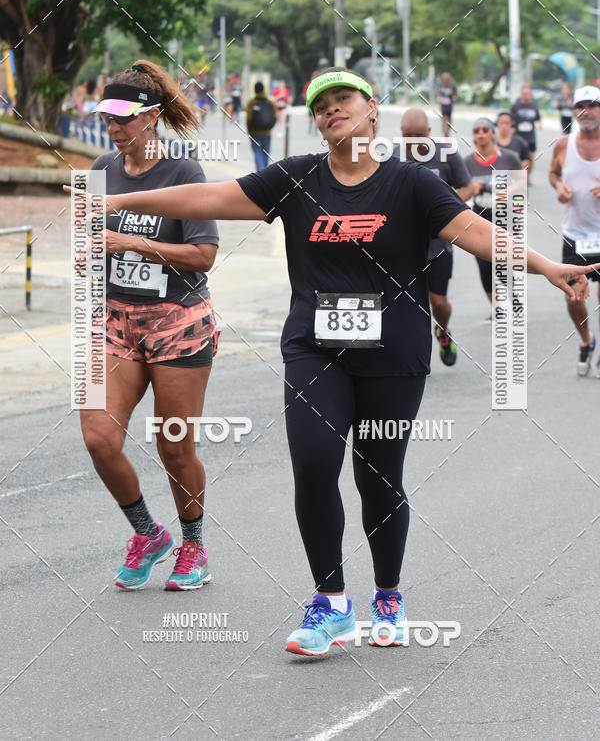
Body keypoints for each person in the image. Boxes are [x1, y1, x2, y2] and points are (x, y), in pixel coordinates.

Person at [68, 68, 597, 657]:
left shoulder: (413, 185)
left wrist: (549, 266)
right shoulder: (296, 179)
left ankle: (388, 596)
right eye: (321, 107)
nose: (332, 111)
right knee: (315, 467)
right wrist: (115, 200)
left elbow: (477, 232)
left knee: (378, 479)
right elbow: (206, 196)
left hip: (393, 353)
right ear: (316, 123)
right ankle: (330, 605)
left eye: (343, 100)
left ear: (373, 109)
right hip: (313, 350)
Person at [82, 59, 220, 591]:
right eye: (107, 118)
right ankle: (148, 532)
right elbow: (94, 242)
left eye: (123, 118)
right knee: (99, 438)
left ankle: (193, 547)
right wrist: (89, 256)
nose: (113, 129)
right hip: (117, 319)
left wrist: (132, 242)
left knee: (173, 446)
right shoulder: (101, 169)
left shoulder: (183, 172)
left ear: (152, 116)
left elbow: (203, 254)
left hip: (177, 323)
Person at [399, 107, 473, 366]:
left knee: (438, 302)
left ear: (429, 133)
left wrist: (444, 210)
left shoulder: (446, 153)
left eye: (419, 135)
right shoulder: (391, 157)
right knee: (408, 305)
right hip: (405, 245)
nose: (414, 142)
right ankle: (416, 355)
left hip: (438, 245)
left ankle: (442, 331)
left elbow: (468, 186)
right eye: (408, 136)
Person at [549, 84, 600, 376]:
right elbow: (553, 173)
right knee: (573, 297)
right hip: (576, 234)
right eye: (580, 106)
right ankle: (587, 341)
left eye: (592, 105)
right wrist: (559, 187)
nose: (586, 111)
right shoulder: (563, 144)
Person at [463, 118, 522, 312]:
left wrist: (509, 189)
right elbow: (461, 190)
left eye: (485, 129)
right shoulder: (467, 162)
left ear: (493, 133)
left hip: (503, 216)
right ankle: (497, 308)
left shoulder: (509, 157)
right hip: (479, 217)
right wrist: (473, 188)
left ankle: (514, 299)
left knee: (503, 262)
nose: (480, 133)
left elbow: (522, 180)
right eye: (476, 130)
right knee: (484, 265)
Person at [510, 83, 540, 181]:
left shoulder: (534, 105)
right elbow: (510, 119)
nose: (527, 96)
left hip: (530, 136)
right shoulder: (515, 106)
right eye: (525, 94)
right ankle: (518, 176)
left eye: (528, 94)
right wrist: (512, 128)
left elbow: (538, 117)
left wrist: (540, 123)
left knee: (530, 158)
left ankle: (528, 175)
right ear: (522, 94)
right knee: (518, 158)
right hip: (518, 136)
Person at [245, 81, 276, 170]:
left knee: (257, 153)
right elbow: (274, 116)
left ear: (255, 90)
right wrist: (269, 128)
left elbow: (248, 119)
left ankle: (260, 173)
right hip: (267, 132)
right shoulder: (270, 102)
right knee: (266, 153)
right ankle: (265, 173)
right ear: (263, 90)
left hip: (255, 132)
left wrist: (249, 131)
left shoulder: (252, 103)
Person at [436, 71, 457, 137]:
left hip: (450, 105)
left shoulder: (452, 86)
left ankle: (447, 131)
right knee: (444, 119)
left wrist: (452, 93)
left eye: (447, 77)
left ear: (449, 78)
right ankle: (444, 132)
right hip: (443, 105)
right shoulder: (440, 85)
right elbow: (437, 94)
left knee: (449, 119)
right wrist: (439, 94)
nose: (446, 79)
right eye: (444, 77)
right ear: (443, 78)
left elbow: (456, 95)